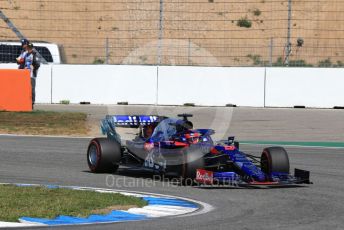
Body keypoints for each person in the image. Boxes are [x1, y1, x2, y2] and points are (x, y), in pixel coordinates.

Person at [24, 43, 40, 108]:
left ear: (32, 48)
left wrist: (34, 67)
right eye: (28, 47)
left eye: (31, 48)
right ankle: (25, 102)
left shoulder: (34, 55)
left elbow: (38, 64)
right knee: (25, 89)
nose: (29, 49)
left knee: (32, 89)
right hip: (25, 74)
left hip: (31, 75)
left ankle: (32, 103)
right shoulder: (26, 54)